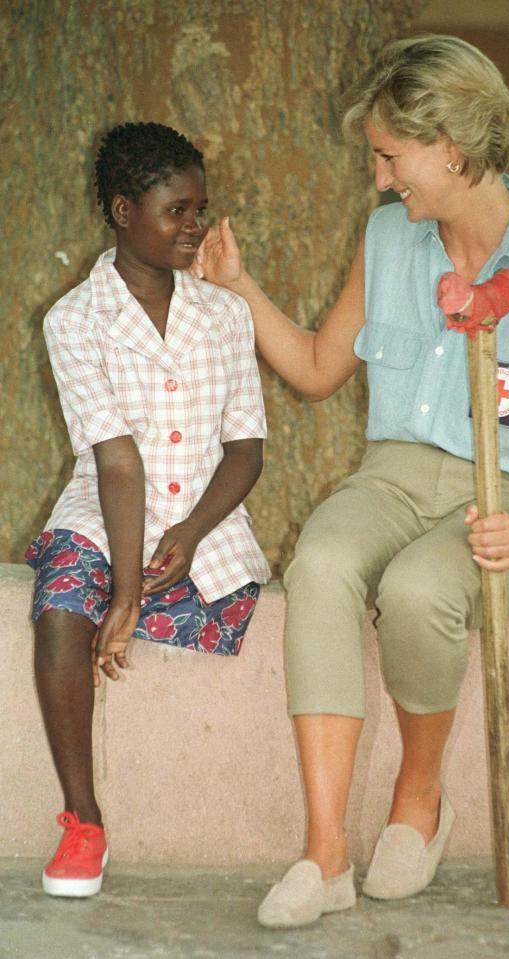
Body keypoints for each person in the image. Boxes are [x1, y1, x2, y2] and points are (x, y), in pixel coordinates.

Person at [195, 34, 509, 928]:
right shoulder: (386, 237)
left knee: (422, 587)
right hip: (392, 478)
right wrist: (238, 288)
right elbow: (312, 367)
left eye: (390, 157)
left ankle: (418, 799)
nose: (380, 180)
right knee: (323, 560)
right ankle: (325, 854)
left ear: (451, 146)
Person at [26, 122, 270, 897]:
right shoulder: (74, 321)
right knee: (64, 604)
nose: (195, 226)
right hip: (106, 504)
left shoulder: (225, 315)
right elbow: (117, 462)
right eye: (177, 211)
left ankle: (154, 580)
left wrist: (193, 534)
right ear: (124, 210)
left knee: (215, 601)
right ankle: (83, 820)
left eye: (200, 208)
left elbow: (244, 451)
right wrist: (124, 588)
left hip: (203, 514)